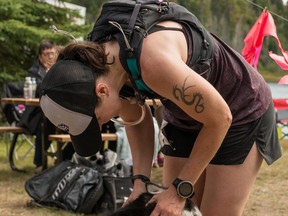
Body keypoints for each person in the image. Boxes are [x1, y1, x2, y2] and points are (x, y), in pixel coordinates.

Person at [39, 1, 282, 215]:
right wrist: (140, 181)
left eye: (97, 120)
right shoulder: (102, 69)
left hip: (240, 111)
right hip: (185, 117)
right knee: (166, 211)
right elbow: (137, 121)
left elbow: (220, 118)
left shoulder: (153, 62)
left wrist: (179, 190)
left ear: (101, 92)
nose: (101, 125)